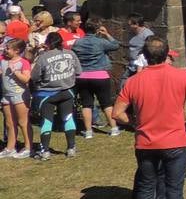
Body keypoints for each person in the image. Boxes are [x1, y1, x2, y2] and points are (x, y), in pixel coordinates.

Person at [111, 36, 186, 199]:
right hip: (175, 141)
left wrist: (135, 123)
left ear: (144, 56)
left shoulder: (134, 81)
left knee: (145, 187)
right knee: (174, 189)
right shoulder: (183, 76)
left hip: (146, 142)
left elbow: (117, 113)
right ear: (167, 53)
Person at [29, 32, 82, 160]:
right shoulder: (71, 54)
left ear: (48, 43)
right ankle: (71, 148)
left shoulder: (44, 57)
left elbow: (34, 76)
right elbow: (79, 71)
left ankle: (45, 151)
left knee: (47, 121)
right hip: (67, 91)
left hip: (47, 93)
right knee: (68, 118)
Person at [72, 20, 121, 138]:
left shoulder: (77, 42)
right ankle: (114, 128)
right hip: (100, 75)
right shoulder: (101, 42)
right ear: (97, 30)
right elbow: (115, 45)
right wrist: (107, 34)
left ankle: (88, 131)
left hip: (83, 76)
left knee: (86, 104)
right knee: (106, 103)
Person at [0, 40, 31, 158]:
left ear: (17, 51)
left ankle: (28, 147)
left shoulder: (23, 62)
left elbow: (26, 79)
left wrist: (16, 72)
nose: (5, 50)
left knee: (23, 122)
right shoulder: (3, 61)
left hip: (20, 95)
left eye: (7, 48)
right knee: (9, 123)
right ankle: (10, 148)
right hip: (6, 95)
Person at [124, 15, 153, 81]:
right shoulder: (132, 33)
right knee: (123, 84)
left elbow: (151, 51)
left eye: (129, 24)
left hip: (140, 67)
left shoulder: (147, 35)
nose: (128, 26)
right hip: (131, 65)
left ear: (136, 24)